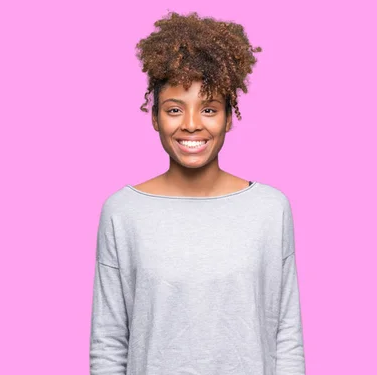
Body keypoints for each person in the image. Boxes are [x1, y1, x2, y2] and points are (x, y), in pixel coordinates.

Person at [89, 11, 306, 375]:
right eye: (175, 109)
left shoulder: (270, 209)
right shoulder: (122, 212)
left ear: (229, 117)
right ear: (155, 116)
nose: (191, 124)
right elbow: (109, 341)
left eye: (209, 109)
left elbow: (285, 334)